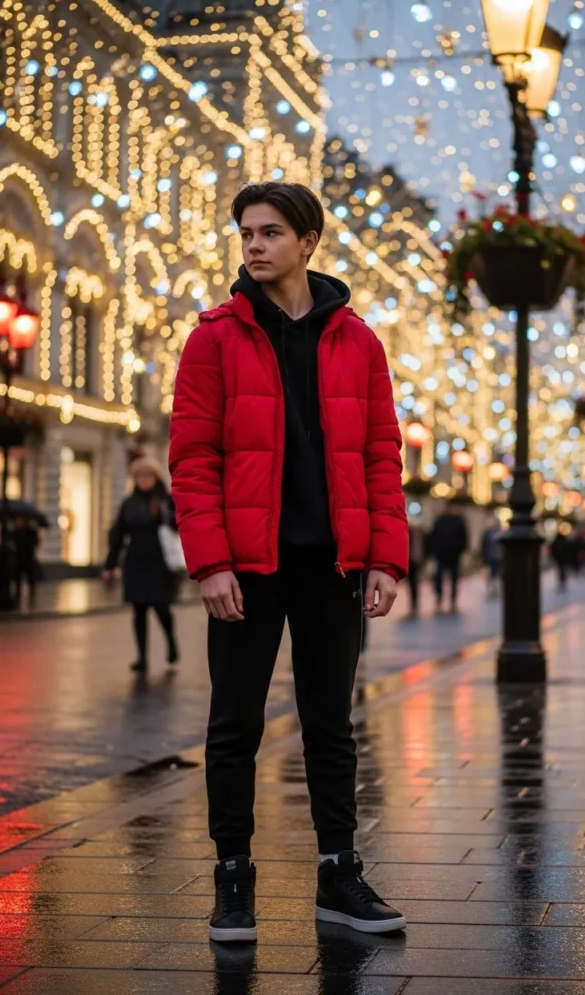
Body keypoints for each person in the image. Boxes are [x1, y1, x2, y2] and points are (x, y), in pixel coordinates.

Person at [169, 181, 409, 943]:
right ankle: (233, 882)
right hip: (246, 566)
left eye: (269, 232)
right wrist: (209, 564)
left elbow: (380, 456)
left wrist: (383, 558)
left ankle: (339, 876)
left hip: (330, 566)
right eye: (245, 233)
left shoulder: (359, 341)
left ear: (308, 241)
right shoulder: (213, 336)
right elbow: (193, 459)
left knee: (330, 726)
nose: (253, 246)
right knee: (233, 724)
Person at [103, 456, 180, 672]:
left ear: (155, 478)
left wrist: (164, 515)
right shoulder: (129, 504)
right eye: (140, 476)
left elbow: (179, 526)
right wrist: (109, 566)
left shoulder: (165, 500)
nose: (144, 480)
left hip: (160, 561)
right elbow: (118, 535)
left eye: (148, 476)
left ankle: (171, 643)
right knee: (139, 610)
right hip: (136, 561)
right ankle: (142, 657)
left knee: (161, 608)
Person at [430, 502, 469, 613]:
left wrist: (461, 549)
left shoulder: (458, 520)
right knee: (438, 577)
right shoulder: (439, 520)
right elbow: (433, 536)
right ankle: (439, 598)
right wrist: (434, 551)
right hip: (441, 554)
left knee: (454, 578)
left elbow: (464, 536)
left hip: (454, 554)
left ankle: (453, 600)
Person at [13, 516, 40, 607]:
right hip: (18, 559)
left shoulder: (31, 531)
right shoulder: (15, 532)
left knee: (31, 578)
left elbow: (36, 542)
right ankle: (18, 595)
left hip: (28, 558)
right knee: (18, 579)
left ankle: (32, 595)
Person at [407, 515, 426, 615]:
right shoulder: (418, 532)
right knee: (413, 582)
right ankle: (414, 602)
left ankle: (414, 602)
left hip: (413, 559)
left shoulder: (414, 532)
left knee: (413, 582)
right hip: (413, 558)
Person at [481, 516, 502, 599]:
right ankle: (491, 590)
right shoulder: (487, 533)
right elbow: (483, 545)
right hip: (490, 557)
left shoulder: (501, 532)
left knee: (497, 574)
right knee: (490, 575)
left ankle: (496, 589)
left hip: (498, 557)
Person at [550, 525, 572, 593]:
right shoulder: (564, 540)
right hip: (562, 558)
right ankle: (563, 581)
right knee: (562, 569)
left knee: (561, 569)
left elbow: (552, 548)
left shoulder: (556, 541)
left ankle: (562, 581)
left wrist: (553, 556)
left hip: (559, 558)